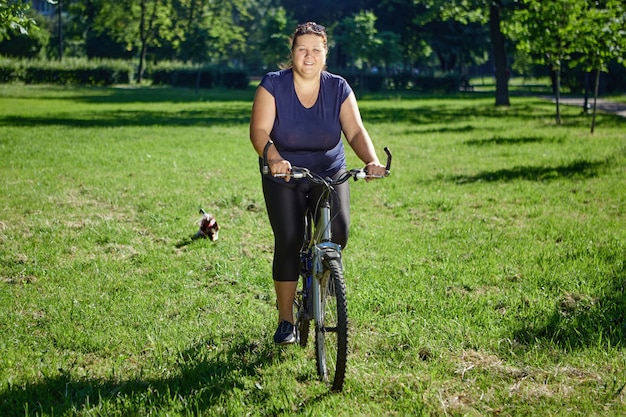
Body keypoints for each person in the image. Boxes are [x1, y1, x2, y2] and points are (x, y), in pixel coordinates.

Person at [249, 22, 387, 345]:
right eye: (302, 49)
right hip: (284, 173)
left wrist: (370, 160)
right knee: (289, 238)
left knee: (339, 234)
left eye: (315, 49)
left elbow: (354, 131)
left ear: (325, 54)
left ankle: (320, 278)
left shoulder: (338, 88)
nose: (308, 56)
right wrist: (273, 158)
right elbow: (259, 132)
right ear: (292, 53)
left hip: (329, 170)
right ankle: (286, 320)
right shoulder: (272, 85)